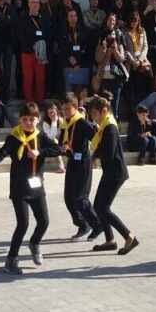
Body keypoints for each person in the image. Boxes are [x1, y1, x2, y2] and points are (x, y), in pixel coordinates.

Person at [0, 102, 62, 274]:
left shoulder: (40, 137)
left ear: (38, 119)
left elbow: (58, 149)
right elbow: (0, 154)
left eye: (32, 119)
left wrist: (41, 153)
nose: (28, 123)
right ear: (19, 120)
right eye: (25, 119)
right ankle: (11, 260)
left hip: (37, 186)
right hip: (19, 188)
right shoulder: (14, 138)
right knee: (23, 223)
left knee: (44, 222)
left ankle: (34, 243)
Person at [87, 94, 139, 255]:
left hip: (115, 173)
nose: (93, 118)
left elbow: (108, 152)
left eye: (95, 114)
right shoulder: (105, 126)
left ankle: (129, 236)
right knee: (99, 207)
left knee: (103, 208)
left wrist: (95, 155)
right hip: (111, 172)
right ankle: (110, 240)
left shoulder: (110, 128)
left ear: (104, 110)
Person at [58, 92, 101, 236]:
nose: (65, 111)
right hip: (72, 162)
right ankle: (82, 224)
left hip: (83, 162)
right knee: (69, 198)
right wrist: (63, 147)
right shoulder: (65, 124)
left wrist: (96, 157)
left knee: (80, 198)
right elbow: (62, 142)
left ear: (75, 107)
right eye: (63, 108)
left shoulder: (82, 123)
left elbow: (97, 139)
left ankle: (97, 224)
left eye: (68, 108)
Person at [17, 0, 49, 105]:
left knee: (40, 78)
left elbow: (47, 33)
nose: (35, 4)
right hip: (27, 52)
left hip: (41, 53)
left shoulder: (44, 18)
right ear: (28, 4)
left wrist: (41, 44)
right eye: (33, 2)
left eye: (37, 2)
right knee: (28, 78)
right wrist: (33, 44)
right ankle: (29, 102)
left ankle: (39, 102)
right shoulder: (23, 17)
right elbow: (20, 35)